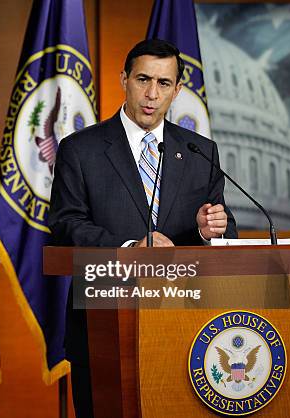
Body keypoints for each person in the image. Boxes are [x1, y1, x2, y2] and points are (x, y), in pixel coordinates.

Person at [48, 39, 238, 417]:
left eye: (164, 83)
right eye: (143, 80)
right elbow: (65, 224)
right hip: (103, 323)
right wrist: (130, 246)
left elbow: (224, 226)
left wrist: (209, 229)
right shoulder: (80, 149)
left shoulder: (201, 151)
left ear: (178, 90)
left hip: (187, 328)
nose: (152, 94)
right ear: (124, 80)